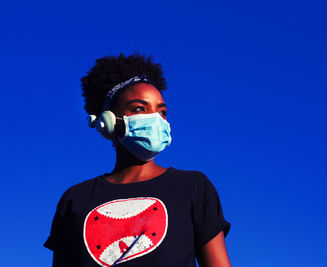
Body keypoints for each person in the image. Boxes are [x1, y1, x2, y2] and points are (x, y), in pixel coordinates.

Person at [44, 54, 231, 267]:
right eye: (140, 108)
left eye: (161, 112)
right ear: (108, 122)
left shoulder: (193, 188)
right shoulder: (75, 200)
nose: (155, 119)